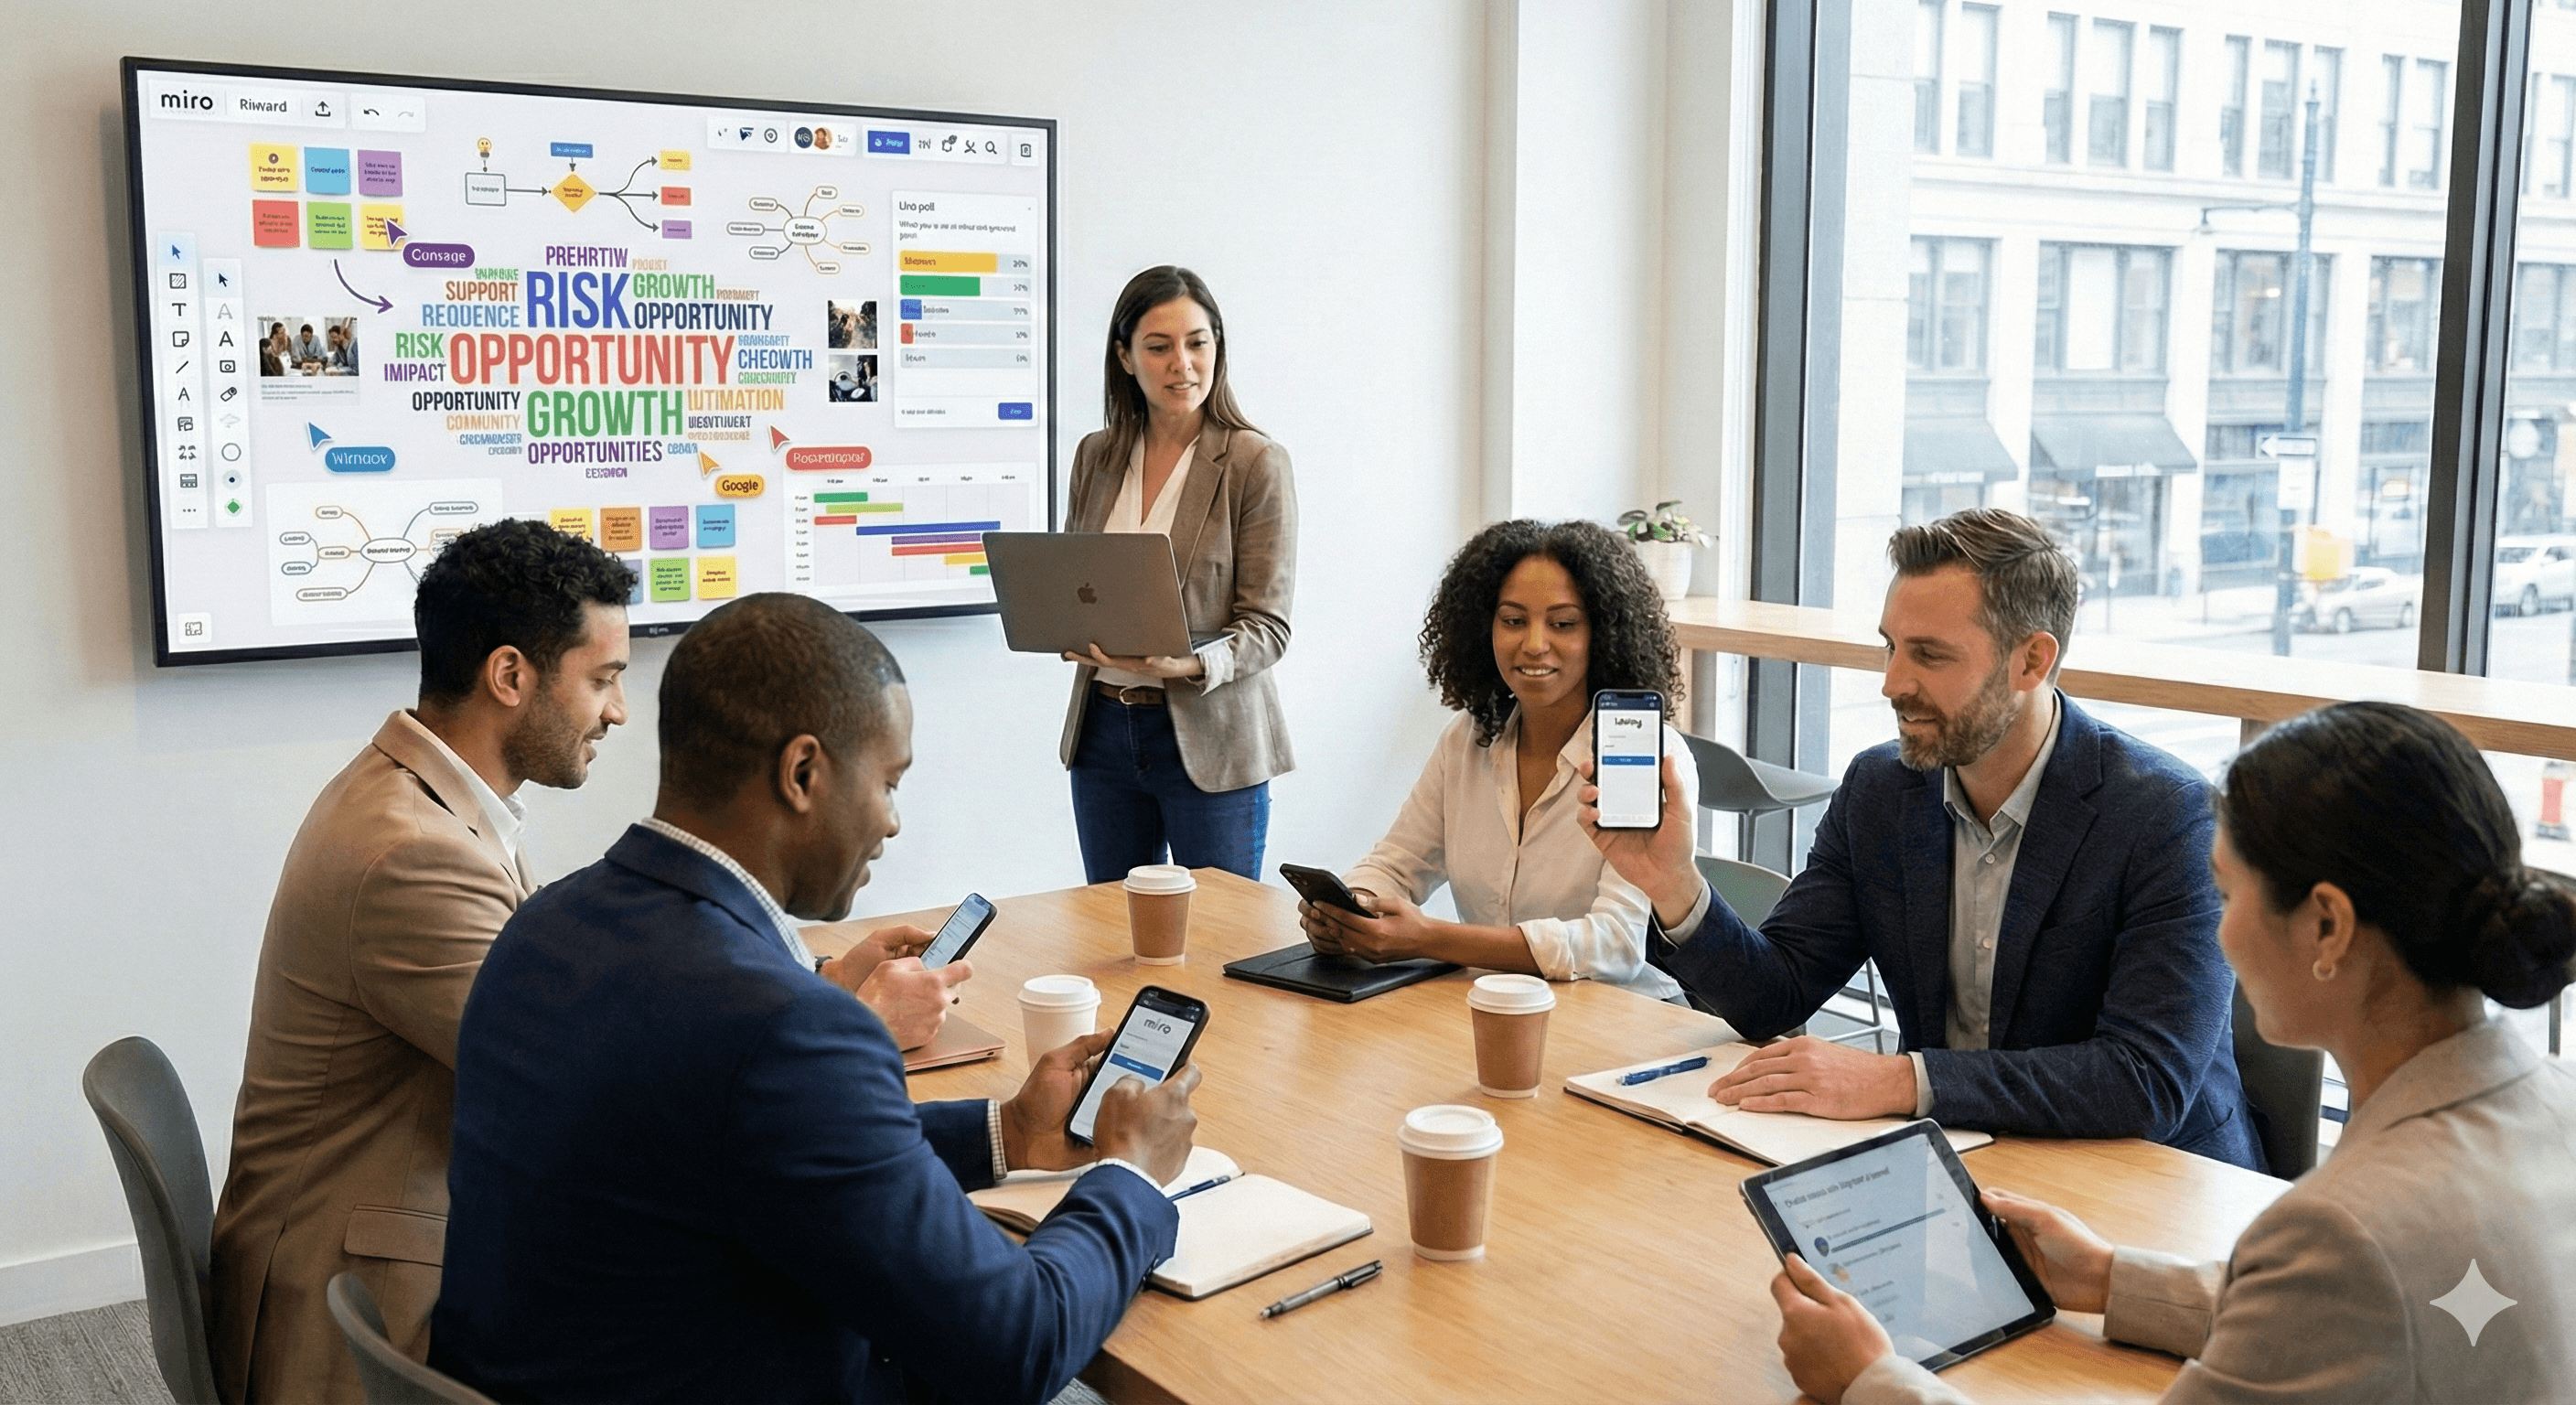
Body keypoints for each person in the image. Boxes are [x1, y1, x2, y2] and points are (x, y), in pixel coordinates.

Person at [432, 594, 1200, 1403]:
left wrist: (1006, 1131)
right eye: (889, 783)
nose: (893, 825)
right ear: (803, 773)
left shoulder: (547, 925)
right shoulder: (784, 1027)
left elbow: (757, 1145)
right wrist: (1132, 1176)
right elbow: (1016, 1346)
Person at [1770, 702, 2576, 1404]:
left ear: (2327, 926)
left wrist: (1873, 1379)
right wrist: (2116, 1280)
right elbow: (2375, 1306)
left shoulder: (2341, 1229)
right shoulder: (2551, 1107)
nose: (2216, 932)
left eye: (2227, 894)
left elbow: (2355, 1276)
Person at [1580, 508, 2259, 1165]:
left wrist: (1899, 1082)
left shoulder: (2166, 815)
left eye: (1929, 655)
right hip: (1963, 1157)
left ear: (2032, 661)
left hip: (2150, 1180)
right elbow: (1775, 995)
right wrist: (1673, 882)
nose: (1892, 683)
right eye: (1891, 646)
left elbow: (2144, 1080)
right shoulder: (1883, 789)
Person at [1300, 519, 1696, 1001]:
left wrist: (1432, 939)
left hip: (1625, 1018)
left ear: (1604, 634)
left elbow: (1614, 947)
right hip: (1494, 1004)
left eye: (1563, 624)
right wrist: (1355, 912)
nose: (1533, 643)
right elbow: (1396, 864)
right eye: (1512, 620)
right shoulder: (1467, 739)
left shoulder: (1648, 757)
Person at [1057, 265, 1297, 883]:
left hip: (1212, 736)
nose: (1182, 364)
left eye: (1198, 343)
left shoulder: (1254, 462)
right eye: (1158, 347)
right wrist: (1061, 620)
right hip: (1104, 732)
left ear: (1218, 347)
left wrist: (1187, 664)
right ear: (1126, 357)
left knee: (1220, 941)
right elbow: (1074, 578)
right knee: (1112, 935)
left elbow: (1268, 627)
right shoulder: (1096, 455)